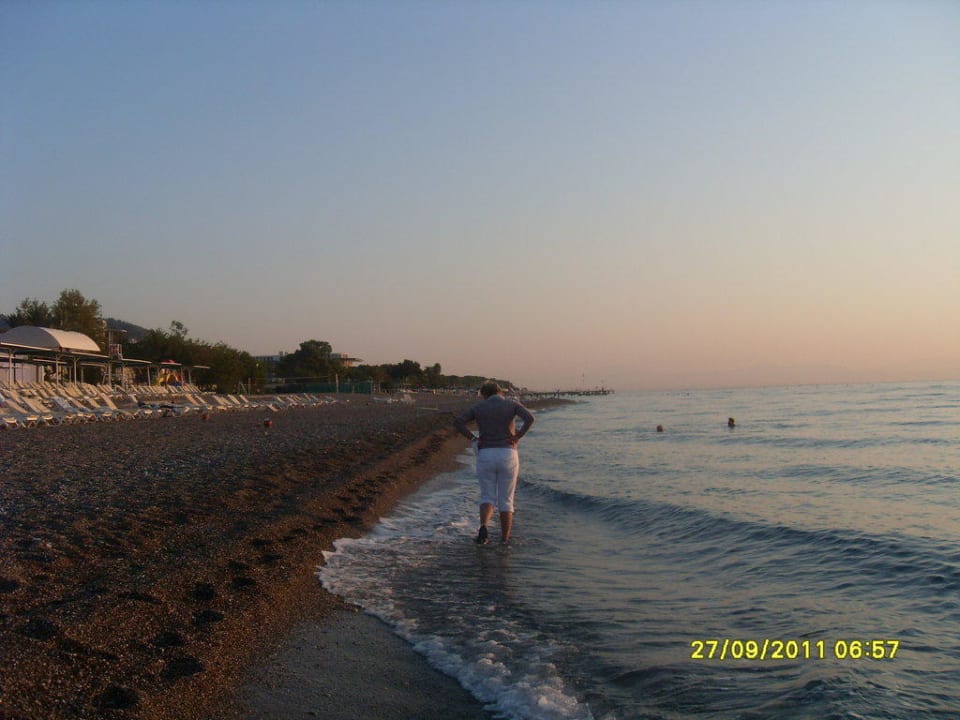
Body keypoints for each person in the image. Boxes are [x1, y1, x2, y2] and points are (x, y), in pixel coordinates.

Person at [454, 381, 535, 545]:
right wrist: (518, 435)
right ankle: (505, 540)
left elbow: (458, 422)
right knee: (506, 500)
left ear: (484, 394)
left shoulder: (478, 407)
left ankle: (484, 527)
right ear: (500, 392)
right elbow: (529, 418)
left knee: (487, 496)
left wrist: (472, 438)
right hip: (508, 453)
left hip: (486, 453)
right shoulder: (511, 404)